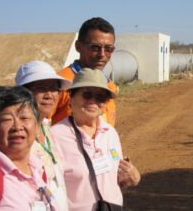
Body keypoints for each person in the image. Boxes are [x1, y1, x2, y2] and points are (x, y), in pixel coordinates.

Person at [51, 68, 140, 211]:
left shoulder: (110, 133)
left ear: (105, 104)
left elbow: (112, 177)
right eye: (87, 94)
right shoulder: (56, 137)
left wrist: (132, 177)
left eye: (100, 97)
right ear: (71, 98)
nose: (93, 101)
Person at [15, 60, 72, 210]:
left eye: (54, 88)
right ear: (22, 92)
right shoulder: (12, 136)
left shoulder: (48, 130)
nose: (49, 95)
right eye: (41, 88)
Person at [0, 86, 59, 210]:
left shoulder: (38, 168)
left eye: (24, 118)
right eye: (7, 119)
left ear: (36, 125)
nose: (17, 126)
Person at [52, 17, 117, 126]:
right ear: (78, 47)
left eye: (108, 49)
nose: (102, 54)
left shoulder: (109, 86)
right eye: (95, 48)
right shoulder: (59, 83)